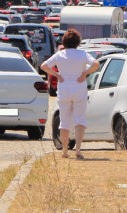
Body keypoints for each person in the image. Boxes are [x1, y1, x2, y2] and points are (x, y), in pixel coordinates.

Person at [40, 29, 101, 159]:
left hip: (64, 88)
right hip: (79, 88)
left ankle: (65, 151)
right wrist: (85, 73)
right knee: (80, 119)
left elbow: (43, 66)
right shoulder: (82, 54)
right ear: (78, 42)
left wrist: (56, 74)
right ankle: (78, 149)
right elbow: (96, 64)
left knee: (64, 121)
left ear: (64, 42)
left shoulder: (60, 54)